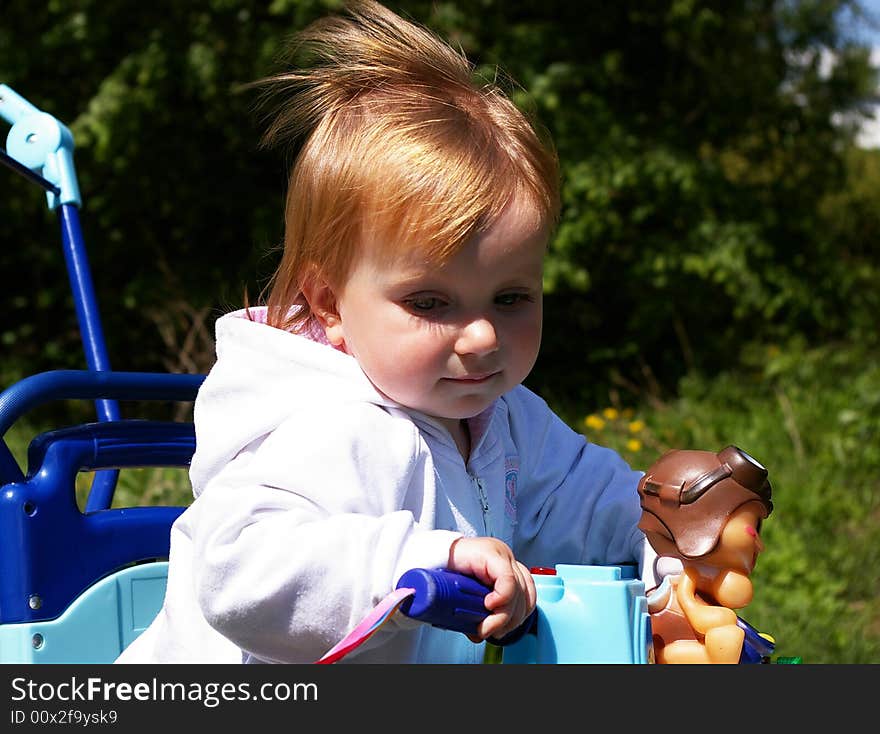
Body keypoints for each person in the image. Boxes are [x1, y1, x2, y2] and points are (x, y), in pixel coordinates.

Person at [116, 0, 657, 664]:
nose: (483, 336)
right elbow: (237, 573)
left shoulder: (505, 419)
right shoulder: (331, 429)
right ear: (330, 305)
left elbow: (585, 497)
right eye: (431, 302)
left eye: (512, 296)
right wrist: (423, 560)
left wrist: (669, 529)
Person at [637, 445, 774, 663]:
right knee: (727, 632)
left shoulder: (697, 576)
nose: (759, 544)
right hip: (679, 650)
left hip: (704, 643)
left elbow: (736, 594)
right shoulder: (678, 578)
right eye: (754, 528)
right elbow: (690, 606)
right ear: (704, 521)